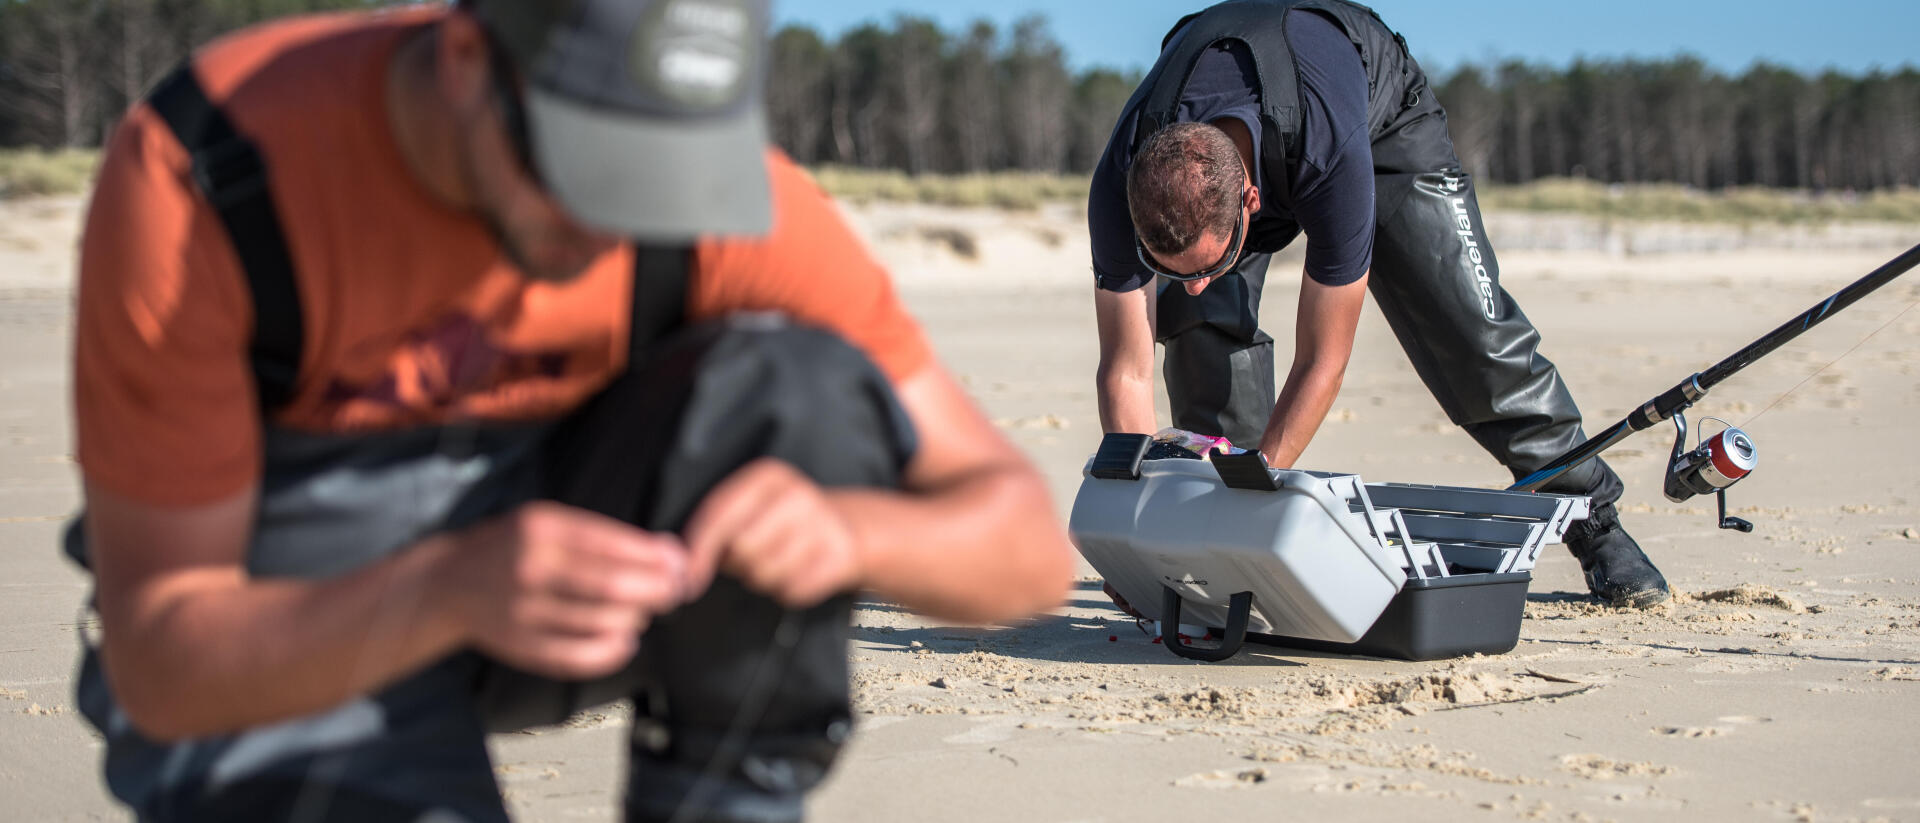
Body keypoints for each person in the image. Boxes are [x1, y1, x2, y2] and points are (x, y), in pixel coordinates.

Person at [66, 0, 1073, 820]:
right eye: (591, 169)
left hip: (588, 602)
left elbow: (1025, 550)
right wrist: (451, 585)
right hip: (305, 633)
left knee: (799, 389)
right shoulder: (218, 175)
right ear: (466, 57)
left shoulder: (726, 205)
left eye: (665, 177)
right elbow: (160, 661)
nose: (623, 222)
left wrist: (852, 532)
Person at [1088, 0, 1669, 609]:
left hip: (1379, 120)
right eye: (1168, 266)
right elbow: (1126, 368)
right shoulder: (1120, 184)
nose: (1196, 280)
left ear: (1251, 203)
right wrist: (1141, 530)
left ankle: (1595, 522)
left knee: (1471, 339)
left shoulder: (1328, 154)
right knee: (1198, 325)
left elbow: (1323, 363)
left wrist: (1255, 485)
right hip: (1235, 145)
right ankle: (1222, 540)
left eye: (1208, 264)